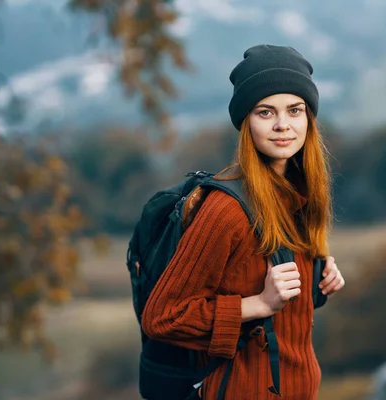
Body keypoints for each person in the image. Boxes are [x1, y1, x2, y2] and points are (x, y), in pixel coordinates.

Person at [140, 44, 345, 400]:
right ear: (245, 122)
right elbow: (163, 317)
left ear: (308, 118)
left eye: (294, 110)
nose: (283, 125)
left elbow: (280, 305)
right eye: (266, 112)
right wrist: (258, 304)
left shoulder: (299, 194)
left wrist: (318, 278)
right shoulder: (227, 209)